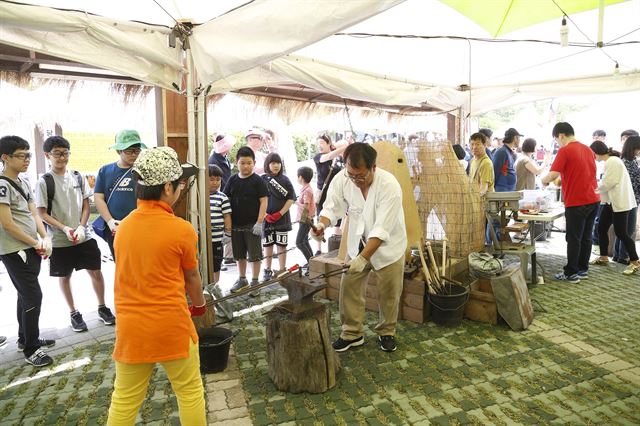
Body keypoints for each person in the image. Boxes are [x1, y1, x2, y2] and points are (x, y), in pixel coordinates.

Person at [107, 147, 205, 425]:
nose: (180, 189)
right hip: (171, 326)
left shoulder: (123, 228)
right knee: (189, 393)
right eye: (179, 184)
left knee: (124, 400)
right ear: (166, 187)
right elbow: (192, 278)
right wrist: (199, 307)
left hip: (131, 330)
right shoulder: (181, 229)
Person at [311, 143, 407, 353]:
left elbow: (382, 229)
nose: (355, 179)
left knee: (389, 293)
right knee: (349, 288)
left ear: (374, 167)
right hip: (358, 243)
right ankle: (351, 333)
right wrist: (321, 225)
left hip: (388, 246)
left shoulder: (389, 185)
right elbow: (332, 207)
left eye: (360, 175)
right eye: (351, 174)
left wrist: (363, 259)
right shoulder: (343, 178)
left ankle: (387, 332)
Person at [35, 136, 115, 332]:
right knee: (64, 277)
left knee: (96, 271)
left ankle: (102, 307)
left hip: (84, 236)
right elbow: (42, 212)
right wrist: (64, 228)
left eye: (65, 153)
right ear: (47, 155)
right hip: (61, 240)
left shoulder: (78, 177)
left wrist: (81, 226)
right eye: (57, 153)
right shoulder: (44, 182)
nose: (62, 157)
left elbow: (86, 205)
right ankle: (74, 313)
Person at [0, 135, 55, 367]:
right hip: (15, 250)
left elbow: (34, 213)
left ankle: (26, 338)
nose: (27, 160)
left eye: (28, 155)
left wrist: (45, 238)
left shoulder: (23, 182)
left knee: (26, 294)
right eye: (21, 156)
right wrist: (35, 243)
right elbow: (7, 223)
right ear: (5, 158)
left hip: (31, 246)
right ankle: (31, 349)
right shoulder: (2, 184)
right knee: (33, 295)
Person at [541, 122, 600, 283]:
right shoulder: (587, 149)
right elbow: (581, 172)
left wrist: (543, 181)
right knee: (586, 237)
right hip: (593, 200)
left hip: (577, 201)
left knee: (573, 238)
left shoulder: (565, 150)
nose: (558, 143)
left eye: (556, 140)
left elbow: (552, 174)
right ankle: (582, 269)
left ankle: (571, 273)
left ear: (561, 135)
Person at [588, 141, 639, 275]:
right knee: (601, 228)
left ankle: (635, 261)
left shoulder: (613, 161)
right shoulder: (610, 161)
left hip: (620, 203)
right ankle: (604, 257)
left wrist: (593, 189)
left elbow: (609, 183)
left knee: (622, 233)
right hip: (610, 203)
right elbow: (607, 183)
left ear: (595, 152)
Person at [94, 130, 146, 260]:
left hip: (140, 227)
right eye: (129, 151)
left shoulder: (145, 170)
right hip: (114, 227)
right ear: (118, 151)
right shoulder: (105, 171)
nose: (134, 155)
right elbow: (99, 198)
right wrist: (110, 221)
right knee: (121, 264)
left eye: (137, 150)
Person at [223, 146, 268, 293]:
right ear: (237, 163)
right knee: (239, 254)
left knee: (255, 255)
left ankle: (255, 282)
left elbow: (264, 201)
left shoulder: (258, 181)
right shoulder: (232, 180)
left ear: (254, 163)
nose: (246, 166)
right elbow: (225, 199)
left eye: (249, 163)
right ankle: (242, 279)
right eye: (242, 163)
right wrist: (227, 226)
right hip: (236, 225)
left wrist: (260, 222)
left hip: (253, 224)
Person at [261, 153, 296, 283]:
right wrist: (265, 215)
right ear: (267, 164)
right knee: (268, 245)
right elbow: (256, 200)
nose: (276, 165)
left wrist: (280, 213)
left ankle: (282, 270)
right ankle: (267, 269)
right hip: (266, 219)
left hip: (282, 219)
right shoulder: (262, 179)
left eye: (278, 163)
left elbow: (291, 198)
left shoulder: (285, 180)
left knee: (282, 244)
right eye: (273, 163)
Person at [314, 134, 349, 255]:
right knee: (321, 219)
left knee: (338, 220)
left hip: (336, 193)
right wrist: (345, 147)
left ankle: (337, 248)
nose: (319, 145)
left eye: (322, 143)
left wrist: (343, 149)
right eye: (318, 143)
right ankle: (318, 249)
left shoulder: (338, 158)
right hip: (323, 194)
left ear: (329, 144)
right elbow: (329, 156)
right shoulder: (318, 157)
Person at [208, 134, 235, 267]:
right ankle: (227, 257)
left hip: (224, 194)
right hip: (223, 192)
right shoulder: (214, 159)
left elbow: (227, 217)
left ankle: (227, 257)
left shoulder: (224, 158)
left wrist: (228, 233)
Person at [613, 135, 640, 265]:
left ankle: (619, 254)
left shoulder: (633, 161)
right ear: (633, 148)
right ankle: (622, 255)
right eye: (638, 149)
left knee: (624, 230)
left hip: (633, 199)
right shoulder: (625, 162)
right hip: (628, 199)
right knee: (627, 231)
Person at [208, 165, 232, 285]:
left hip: (217, 239)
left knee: (216, 264)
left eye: (218, 180)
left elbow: (227, 216)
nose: (215, 183)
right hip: (202, 239)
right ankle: (205, 285)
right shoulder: (199, 196)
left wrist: (228, 233)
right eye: (211, 179)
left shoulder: (222, 197)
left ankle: (215, 286)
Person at [295, 166, 315, 272]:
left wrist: (295, 202)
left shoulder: (307, 190)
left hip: (306, 220)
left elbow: (306, 206)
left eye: (297, 176)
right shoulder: (306, 188)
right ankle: (312, 262)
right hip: (304, 219)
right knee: (304, 241)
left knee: (299, 242)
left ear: (301, 177)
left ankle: (311, 263)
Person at [492, 128, 522, 192]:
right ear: (515, 138)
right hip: (502, 191)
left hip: (508, 190)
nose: (520, 140)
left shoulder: (509, 152)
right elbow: (495, 171)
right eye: (519, 138)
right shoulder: (502, 152)